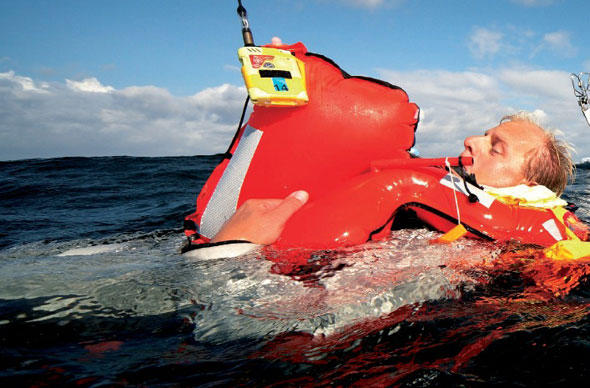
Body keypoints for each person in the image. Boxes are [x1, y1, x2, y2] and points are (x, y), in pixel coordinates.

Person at [204, 112, 574, 252]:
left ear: (528, 188)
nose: (471, 141)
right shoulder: (435, 202)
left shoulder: (531, 234)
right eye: (483, 134)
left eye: (495, 149)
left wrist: (231, 250)